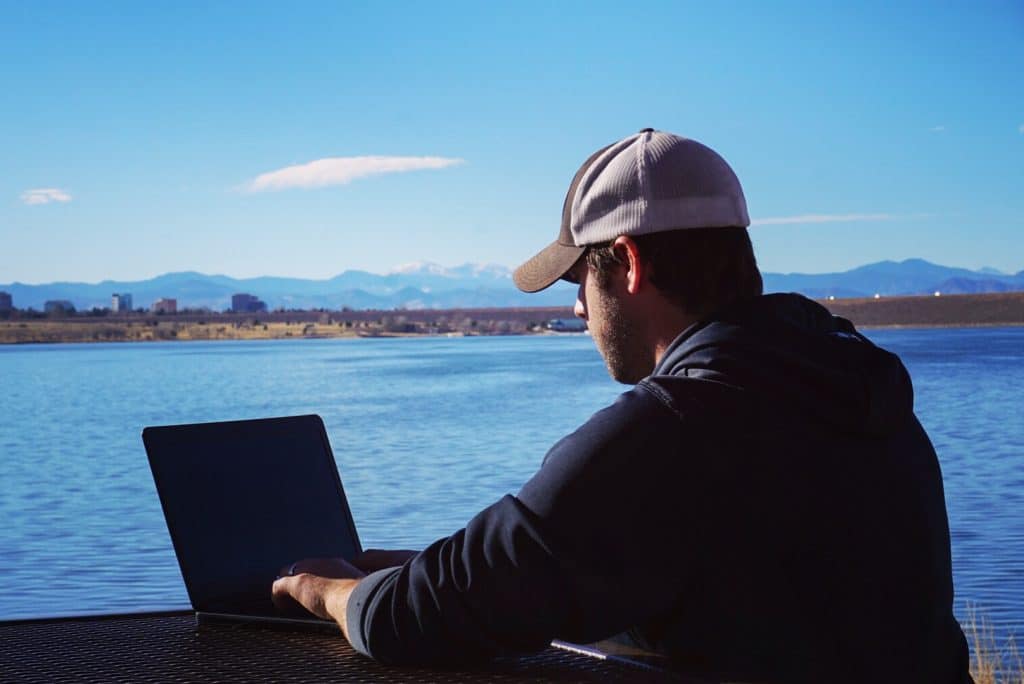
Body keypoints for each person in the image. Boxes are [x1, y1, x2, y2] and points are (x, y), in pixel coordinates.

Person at [272, 129, 972, 683]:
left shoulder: (674, 430)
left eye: (581, 277)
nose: (577, 306)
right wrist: (420, 561)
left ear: (629, 264)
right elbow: (615, 569)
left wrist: (326, 592)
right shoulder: (856, 393)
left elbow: (415, 619)